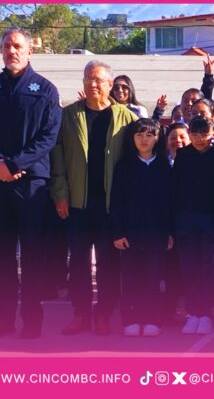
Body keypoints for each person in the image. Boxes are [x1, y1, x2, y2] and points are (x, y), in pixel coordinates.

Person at [50, 60, 139, 336]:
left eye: (99, 80)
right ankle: (80, 313)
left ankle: (104, 313)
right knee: (77, 262)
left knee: (108, 264)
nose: (93, 84)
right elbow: (58, 158)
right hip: (77, 203)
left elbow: (136, 163)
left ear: (110, 84)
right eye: (88, 79)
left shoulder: (127, 117)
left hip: (111, 206)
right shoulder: (68, 115)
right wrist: (60, 194)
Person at [0, 27, 62, 339]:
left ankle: (32, 322)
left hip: (32, 186)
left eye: (18, 46)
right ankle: (5, 319)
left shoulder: (46, 90)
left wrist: (14, 164)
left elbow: (48, 137)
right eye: (7, 46)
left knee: (33, 255)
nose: (12, 51)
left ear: (29, 51)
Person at [110, 118, 173, 337]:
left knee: (153, 277)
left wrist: (169, 232)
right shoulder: (124, 166)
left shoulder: (165, 166)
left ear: (157, 138)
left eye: (149, 135)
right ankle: (131, 318)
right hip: (130, 233)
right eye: (139, 135)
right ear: (132, 138)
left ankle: (152, 318)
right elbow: (116, 201)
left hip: (157, 233)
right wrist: (117, 232)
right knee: (130, 278)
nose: (144, 140)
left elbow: (170, 203)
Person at [172, 116, 214, 335]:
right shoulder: (182, 156)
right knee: (189, 267)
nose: (200, 138)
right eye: (195, 133)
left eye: (205, 133)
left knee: (209, 268)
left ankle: (207, 312)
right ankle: (193, 312)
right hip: (186, 221)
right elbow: (174, 190)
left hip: (212, 220)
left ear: (213, 133)